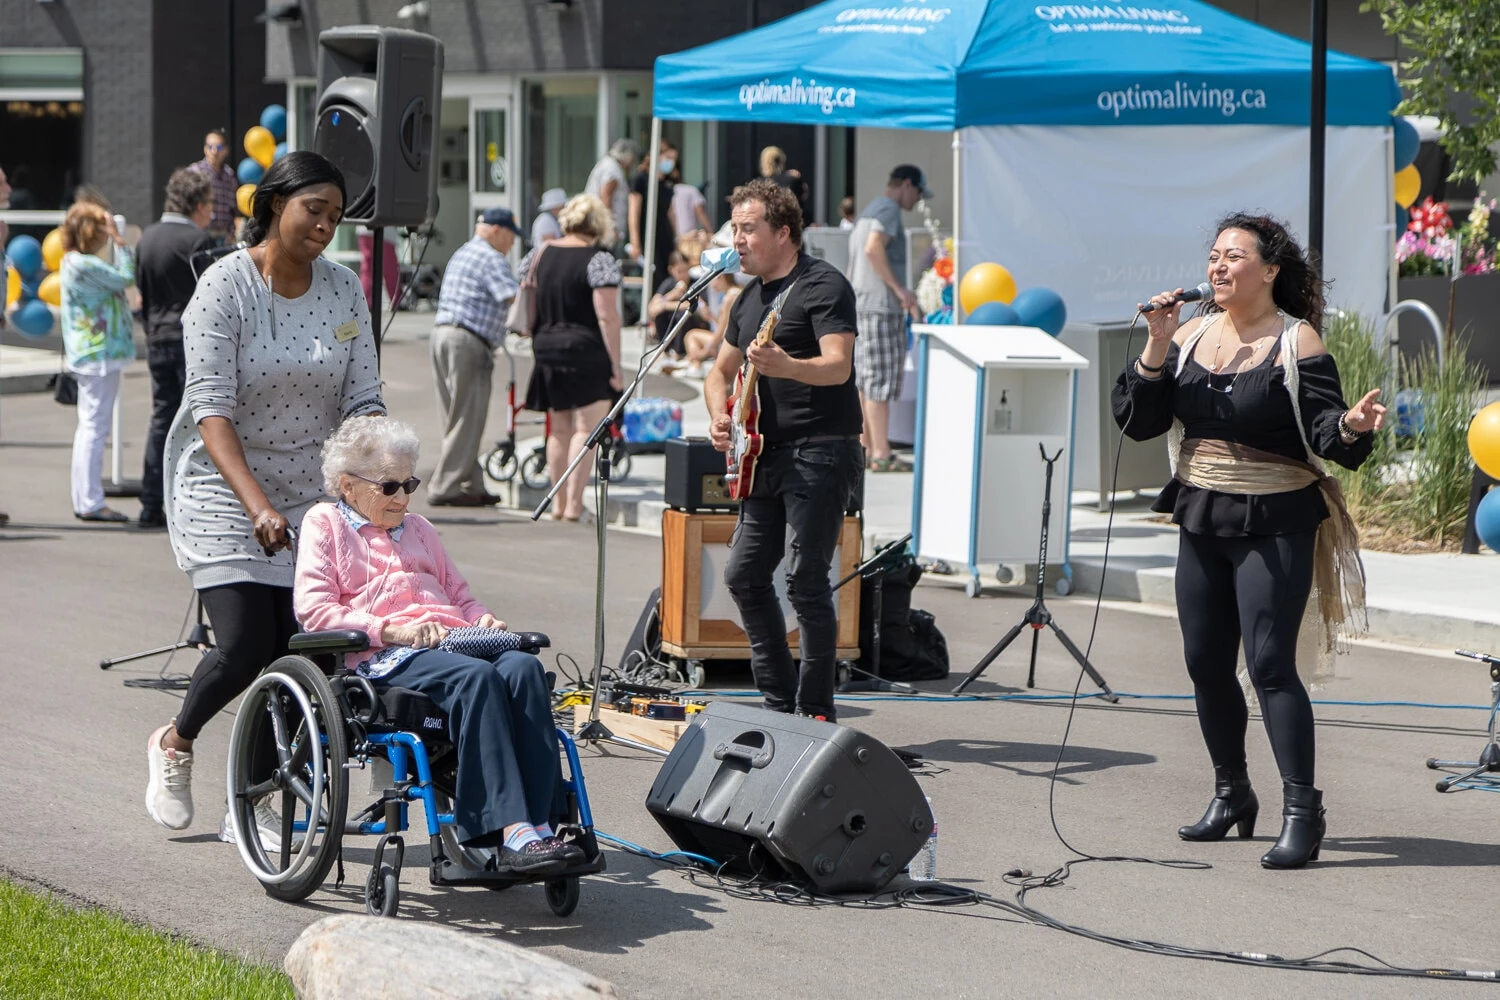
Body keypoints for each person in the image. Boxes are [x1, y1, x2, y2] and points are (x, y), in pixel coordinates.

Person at [1112, 212, 1386, 870]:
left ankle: (1302, 812)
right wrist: (1156, 343)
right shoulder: (1189, 334)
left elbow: (1325, 432)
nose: (1218, 266)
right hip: (1201, 508)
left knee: (1269, 666)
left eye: (1234, 256)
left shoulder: (1299, 343)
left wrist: (1349, 424)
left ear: (1269, 271)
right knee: (1204, 662)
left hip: (1276, 517)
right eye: (1213, 255)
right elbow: (1139, 422)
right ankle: (1232, 793)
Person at [146, 151, 384, 841]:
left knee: (308, 649)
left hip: (313, 488)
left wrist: (376, 475)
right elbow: (211, 411)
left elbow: (362, 398)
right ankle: (176, 742)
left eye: (336, 217)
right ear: (275, 203)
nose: (324, 226)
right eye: (314, 209)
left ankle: (251, 797)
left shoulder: (343, 291)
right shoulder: (224, 287)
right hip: (224, 484)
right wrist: (256, 506)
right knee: (248, 641)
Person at [294, 417, 582, 871]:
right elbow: (314, 611)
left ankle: (541, 826)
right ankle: (508, 831)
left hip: (452, 642)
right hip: (384, 656)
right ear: (348, 485)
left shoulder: (421, 527)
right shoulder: (325, 524)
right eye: (390, 486)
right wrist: (390, 630)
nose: (404, 498)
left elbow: (460, 595)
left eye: (409, 483)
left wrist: (482, 619)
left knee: (523, 668)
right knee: (479, 678)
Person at [704, 178, 863, 722]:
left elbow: (838, 365)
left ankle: (815, 711)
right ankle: (777, 701)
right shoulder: (746, 298)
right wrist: (719, 416)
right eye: (735, 229)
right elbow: (718, 372)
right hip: (762, 455)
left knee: (805, 581)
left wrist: (787, 367)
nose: (738, 239)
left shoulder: (823, 285)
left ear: (785, 233)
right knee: (744, 575)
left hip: (819, 450)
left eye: (749, 229)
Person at [517, 194, 623, 523]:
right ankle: (575, 505)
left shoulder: (540, 253)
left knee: (558, 430)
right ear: (599, 223)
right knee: (585, 429)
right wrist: (616, 366)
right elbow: (607, 317)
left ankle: (558, 504)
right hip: (585, 348)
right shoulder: (599, 259)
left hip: (546, 346)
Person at [134, 168, 216, 530]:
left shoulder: (146, 238)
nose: (212, 212)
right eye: (210, 204)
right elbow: (214, 297)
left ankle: (150, 504)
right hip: (190, 342)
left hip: (157, 339)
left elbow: (143, 293)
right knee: (200, 425)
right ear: (197, 204)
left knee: (160, 421)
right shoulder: (198, 241)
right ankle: (192, 504)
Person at [427, 207, 522, 507]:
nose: (512, 245)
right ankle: (445, 486)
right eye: (511, 237)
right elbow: (513, 299)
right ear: (498, 230)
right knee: (468, 418)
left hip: (443, 335)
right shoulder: (491, 257)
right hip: (468, 342)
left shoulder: (465, 251)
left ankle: (471, 482)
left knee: (455, 417)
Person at [847, 165, 930, 473]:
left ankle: (868, 448)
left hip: (862, 303)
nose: (917, 200)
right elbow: (873, 249)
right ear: (907, 184)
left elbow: (857, 256)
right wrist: (901, 290)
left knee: (865, 382)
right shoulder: (888, 210)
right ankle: (881, 452)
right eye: (918, 192)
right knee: (879, 383)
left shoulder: (868, 210)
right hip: (880, 306)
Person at [59, 201, 136, 523]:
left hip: (92, 353)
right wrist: (121, 242)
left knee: (89, 428)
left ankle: (85, 497)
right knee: (94, 428)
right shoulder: (84, 264)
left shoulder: (74, 262)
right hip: (98, 354)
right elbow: (126, 277)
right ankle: (90, 501)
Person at [628, 139, 677, 292]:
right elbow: (633, 212)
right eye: (668, 158)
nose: (671, 163)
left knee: (666, 276)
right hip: (647, 234)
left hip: (665, 235)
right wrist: (635, 242)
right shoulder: (641, 179)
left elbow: (670, 213)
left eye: (674, 159)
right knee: (653, 277)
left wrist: (677, 238)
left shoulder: (668, 183)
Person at [647, 250, 711, 358]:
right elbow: (652, 308)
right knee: (661, 315)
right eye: (679, 271)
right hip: (671, 324)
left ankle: (680, 352)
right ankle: (665, 349)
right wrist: (671, 296)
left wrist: (665, 305)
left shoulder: (696, 283)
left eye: (685, 270)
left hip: (694, 322)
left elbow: (693, 305)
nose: (683, 275)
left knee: (681, 315)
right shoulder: (669, 284)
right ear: (671, 270)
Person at [584, 138, 638, 253]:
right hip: (602, 227)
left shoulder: (606, 164)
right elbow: (606, 197)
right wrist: (611, 226)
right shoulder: (613, 170)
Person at [187, 129, 238, 245]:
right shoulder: (195, 172)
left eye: (219, 148)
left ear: (226, 150)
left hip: (224, 237)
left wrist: (231, 233)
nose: (214, 151)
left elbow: (232, 208)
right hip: (201, 234)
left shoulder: (229, 176)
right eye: (210, 147)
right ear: (205, 149)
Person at [357, 226, 401, 311]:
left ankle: (365, 301)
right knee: (390, 269)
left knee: (368, 269)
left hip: (365, 229)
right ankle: (397, 300)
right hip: (385, 233)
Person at [670, 174, 712, 248]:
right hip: (689, 237)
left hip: (672, 237)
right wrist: (710, 233)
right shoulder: (691, 190)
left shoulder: (667, 191)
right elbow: (700, 212)